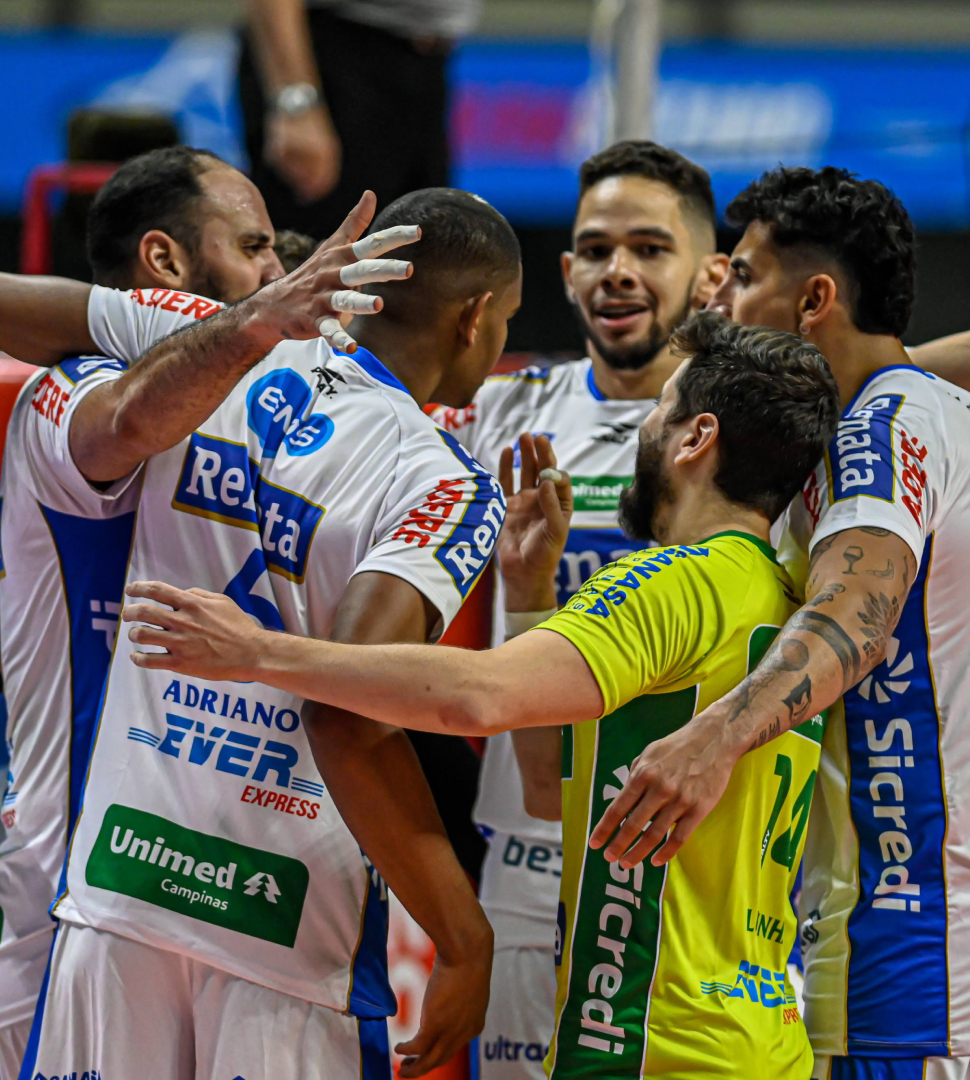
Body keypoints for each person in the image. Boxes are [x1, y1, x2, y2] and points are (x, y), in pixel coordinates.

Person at [121, 311, 841, 1080]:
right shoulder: (787, 600)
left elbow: (474, 699)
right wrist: (527, 592)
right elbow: (542, 788)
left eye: (658, 411)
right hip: (758, 1041)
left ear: (695, 438)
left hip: (656, 1046)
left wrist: (258, 651)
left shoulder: (674, 581)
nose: (645, 430)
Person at [0, 148, 418, 1078]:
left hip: (221, 893)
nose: (280, 271)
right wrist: (261, 325)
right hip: (63, 903)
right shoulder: (68, 390)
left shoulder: (283, 422)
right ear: (164, 264)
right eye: (256, 246)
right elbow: (132, 420)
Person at [591, 167, 970, 1080]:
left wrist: (710, 739)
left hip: (903, 952)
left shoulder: (879, 433)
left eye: (746, 274)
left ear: (816, 300)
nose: (721, 292)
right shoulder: (922, 408)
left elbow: (857, 611)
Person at [432, 139, 728, 1078]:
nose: (620, 272)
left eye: (650, 247)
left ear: (710, 274)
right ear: (564, 272)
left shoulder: (760, 432)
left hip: (696, 856)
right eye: (597, 249)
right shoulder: (500, 410)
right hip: (528, 853)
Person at [239, 0, 480, 239]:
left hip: (423, 63)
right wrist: (296, 104)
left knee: (414, 251)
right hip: (334, 59)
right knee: (318, 254)